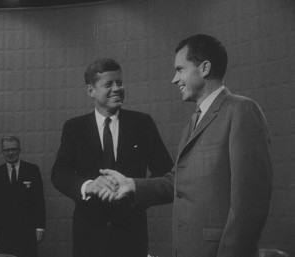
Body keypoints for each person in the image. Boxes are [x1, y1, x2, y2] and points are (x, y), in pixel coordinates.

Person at [101, 34, 273, 257]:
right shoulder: (194, 120)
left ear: (204, 68)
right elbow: (178, 182)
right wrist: (132, 186)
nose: (175, 79)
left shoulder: (242, 111)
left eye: (180, 69)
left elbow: (249, 205)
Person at [51, 58, 173, 257]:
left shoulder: (142, 123)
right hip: (88, 237)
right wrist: (87, 186)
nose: (117, 88)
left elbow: (165, 170)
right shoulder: (74, 128)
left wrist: (135, 192)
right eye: (109, 84)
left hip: (132, 234)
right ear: (91, 90)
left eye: (120, 83)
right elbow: (59, 174)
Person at [0, 135, 45, 257]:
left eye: (14, 149)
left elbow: (38, 200)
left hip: (27, 231)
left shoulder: (32, 170)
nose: (10, 152)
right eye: (7, 150)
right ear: (2, 152)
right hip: (3, 231)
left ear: (19, 150)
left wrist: (40, 227)